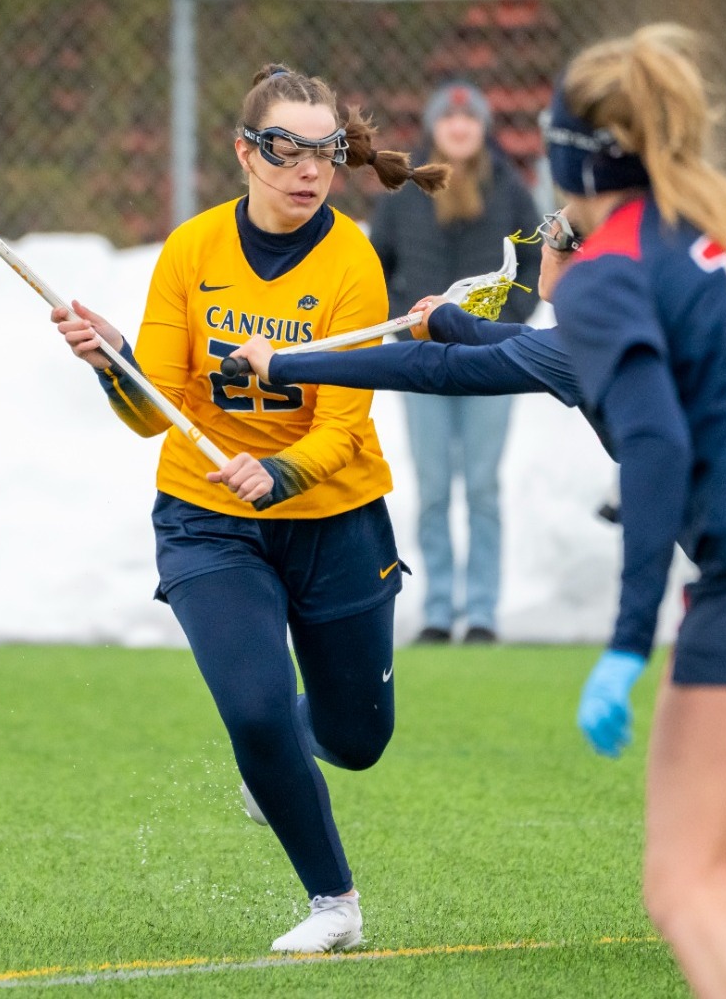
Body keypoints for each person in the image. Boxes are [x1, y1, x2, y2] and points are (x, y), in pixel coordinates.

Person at [230, 24, 726, 995]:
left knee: (695, 882)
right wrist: (460, 322)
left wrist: (631, 639)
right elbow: (525, 357)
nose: (550, 244)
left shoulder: (612, 279)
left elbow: (648, 449)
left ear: (571, 165)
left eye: (556, 229)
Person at [49, 64, 447, 954]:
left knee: (356, 738)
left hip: (334, 518)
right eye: (285, 149)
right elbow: (151, 415)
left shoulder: (350, 259)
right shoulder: (191, 251)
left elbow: (344, 429)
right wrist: (113, 362)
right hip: (206, 519)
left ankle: (287, 763)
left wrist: (280, 476)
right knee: (256, 709)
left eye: (323, 151)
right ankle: (334, 904)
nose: (307, 169)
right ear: (245, 151)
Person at [370, 82, 543, 645]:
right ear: (434, 126)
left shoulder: (511, 191)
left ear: (483, 128)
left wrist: (505, 325)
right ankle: (440, 610)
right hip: (419, 359)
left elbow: (535, 264)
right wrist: (403, 322)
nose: (460, 128)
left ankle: (483, 613)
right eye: (449, 119)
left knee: (484, 487)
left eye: (470, 120)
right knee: (435, 486)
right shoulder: (405, 190)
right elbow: (378, 266)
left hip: (491, 360)